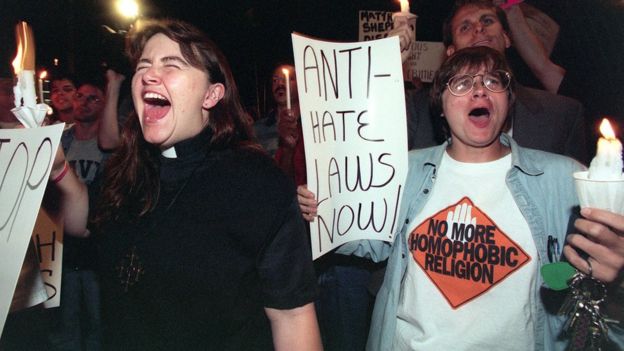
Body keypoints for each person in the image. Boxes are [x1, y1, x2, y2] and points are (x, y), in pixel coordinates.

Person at [298, 46, 624, 350]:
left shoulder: (564, 178)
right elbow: (367, 240)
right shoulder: (403, 170)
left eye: (492, 81)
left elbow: (595, 284)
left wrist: (617, 276)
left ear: (508, 101)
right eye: (461, 83)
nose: (479, 90)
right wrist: (325, 209)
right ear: (440, 105)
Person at [87, 19, 320, 350]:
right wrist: (56, 172)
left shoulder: (256, 183)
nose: (149, 76)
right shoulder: (123, 169)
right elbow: (80, 219)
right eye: (144, 66)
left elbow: (293, 317)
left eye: (172, 65)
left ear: (211, 95)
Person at [48, 81, 108, 351]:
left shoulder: (110, 144)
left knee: (99, 319)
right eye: (80, 96)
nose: (83, 102)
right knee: (66, 318)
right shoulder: (64, 141)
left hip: (96, 245)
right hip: (65, 245)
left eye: (92, 98)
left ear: (105, 102)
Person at [254, 63, 299, 158]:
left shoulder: (310, 124)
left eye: (287, 79)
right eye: (275, 80)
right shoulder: (258, 129)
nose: (280, 84)